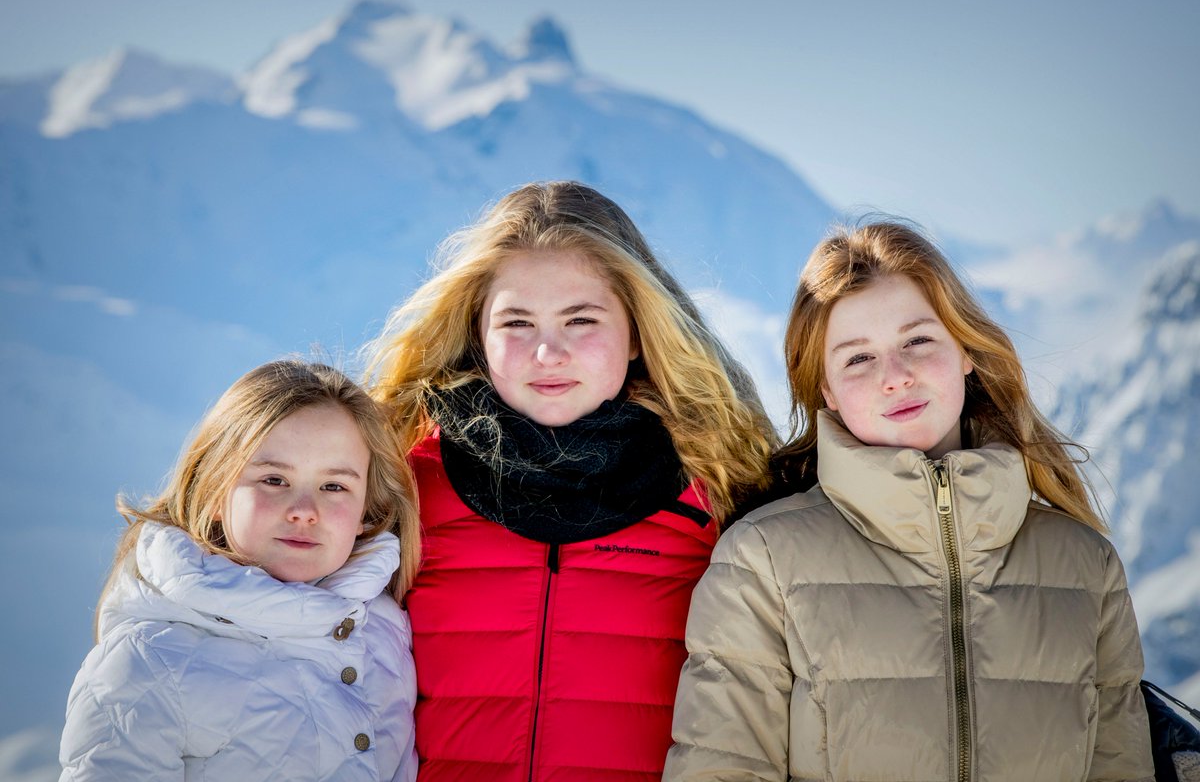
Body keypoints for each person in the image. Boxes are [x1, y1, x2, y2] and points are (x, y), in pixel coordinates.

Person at [664, 220, 1153, 781]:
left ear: (966, 351)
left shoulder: (1085, 566)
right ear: (824, 388)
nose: (894, 376)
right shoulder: (761, 562)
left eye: (918, 340)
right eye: (857, 358)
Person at [365, 180, 775, 781]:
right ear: (478, 333)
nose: (547, 352)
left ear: (637, 331)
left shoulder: (721, 488)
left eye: (581, 319)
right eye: (517, 323)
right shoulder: (404, 483)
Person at [59, 360, 422, 781]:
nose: (304, 511)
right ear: (214, 489)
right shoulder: (148, 661)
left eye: (334, 486)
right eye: (273, 480)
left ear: (366, 510)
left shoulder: (384, 631)